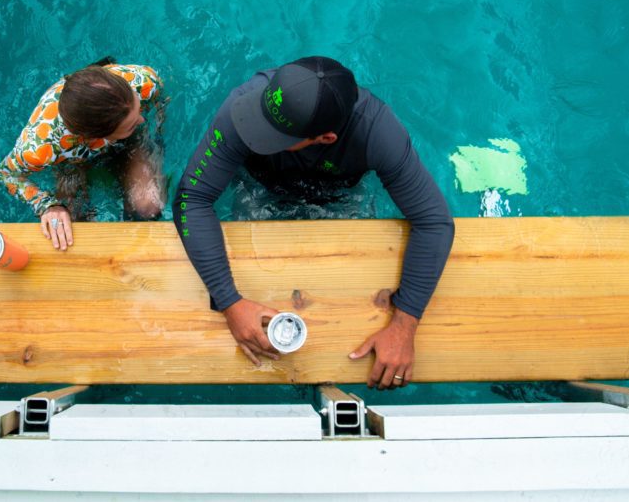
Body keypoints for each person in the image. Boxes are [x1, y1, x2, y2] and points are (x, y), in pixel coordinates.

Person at [172, 56, 454, 390]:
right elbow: (192, 198)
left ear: (326, 138)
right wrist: (229, 301)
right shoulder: (242, 106)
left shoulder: (377, 130)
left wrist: (405, 325)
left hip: (338, 194)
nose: (253, 130)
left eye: (272, 135)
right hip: (261, 186)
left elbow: (434, 221)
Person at [0, 59, 166, 251]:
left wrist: (153, 137)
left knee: (148, 208)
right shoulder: (41, 147)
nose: (143, 119)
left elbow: (159, 100)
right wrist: (48, 205)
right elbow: (6, 173)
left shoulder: (141, 82)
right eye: (133, 122)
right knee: (74, 228)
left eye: (139, 109)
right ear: (95, 137)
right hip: (71, 161)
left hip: (123, 135)